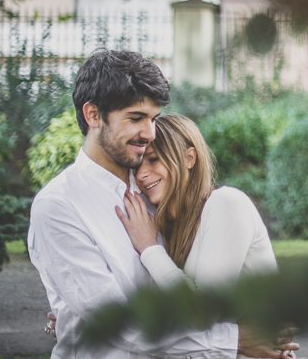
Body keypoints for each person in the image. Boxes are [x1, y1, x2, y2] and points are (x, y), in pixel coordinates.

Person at [29, 49, 286, 359]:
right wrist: (233, 340)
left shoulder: (158, 194)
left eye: (154, 119)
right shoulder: (59, 206)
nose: (149, 133)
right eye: (136, 118)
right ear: (93, 115)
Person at [113, 114, 297, 359]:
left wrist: (148, 247)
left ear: (189, 158)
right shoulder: (171, 228)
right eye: (137, 166)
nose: (141, 175)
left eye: (154, 160)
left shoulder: (227, 204)